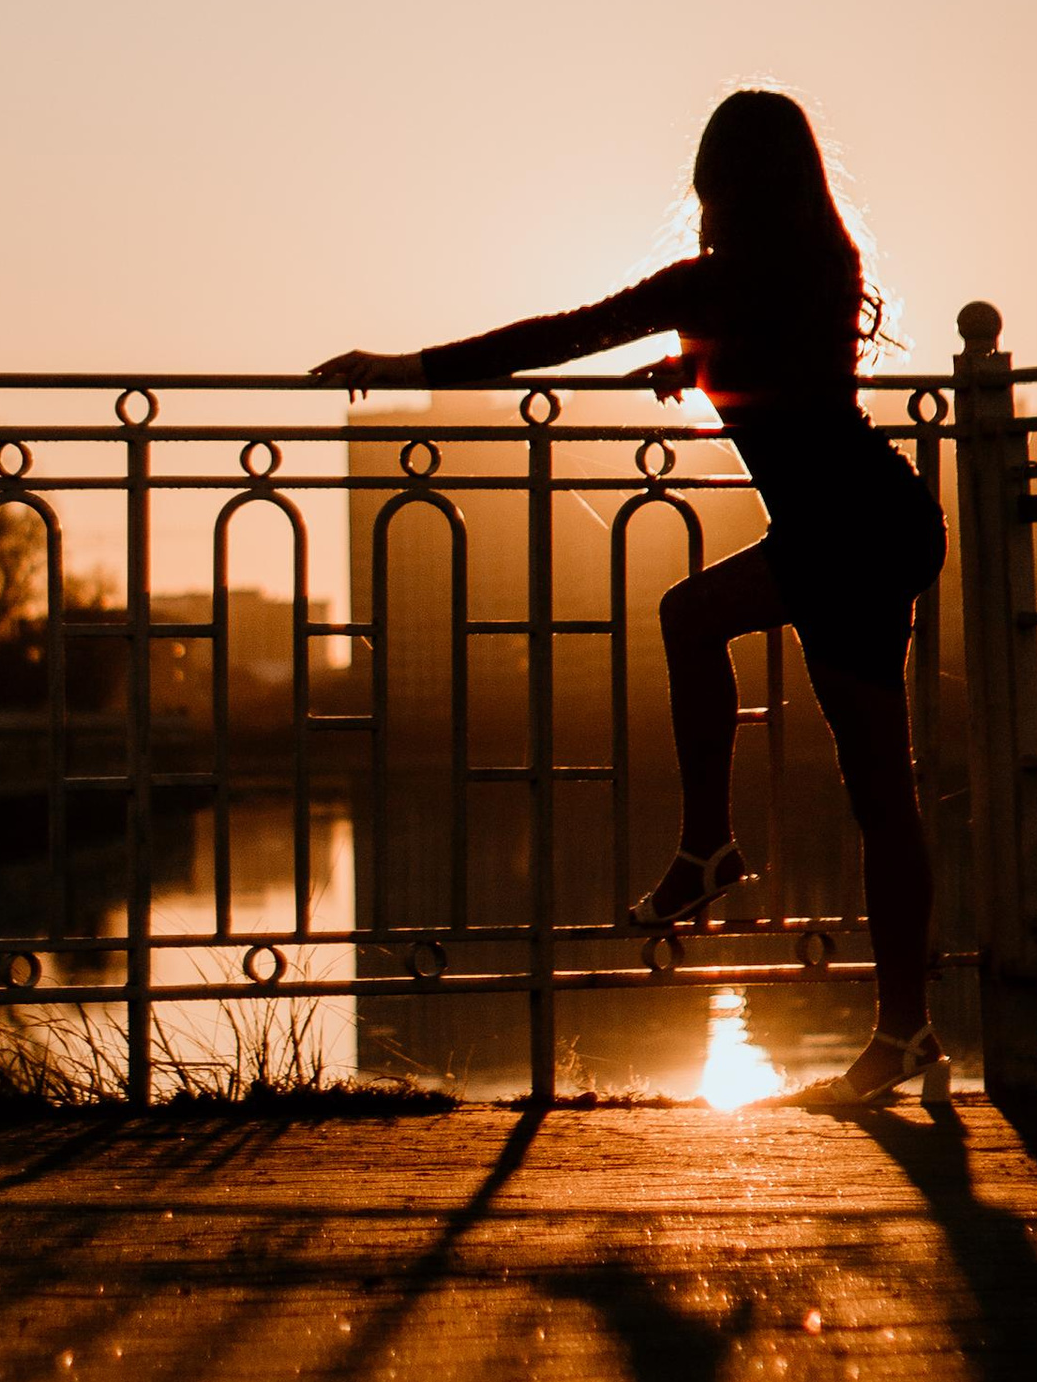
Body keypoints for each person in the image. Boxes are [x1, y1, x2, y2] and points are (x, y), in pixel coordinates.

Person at [315, 86, 947, 1112]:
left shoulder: (713, 282)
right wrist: (695, 366)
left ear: (723, 190)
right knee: (879, 792)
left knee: (704, 634)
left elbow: (560, 335)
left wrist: (403, 365)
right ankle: (899, 1025)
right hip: (879, 523)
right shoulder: (821, 269)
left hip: (843, 539)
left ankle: (712, 851)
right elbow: (786, 374)